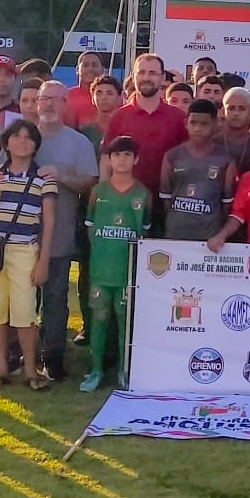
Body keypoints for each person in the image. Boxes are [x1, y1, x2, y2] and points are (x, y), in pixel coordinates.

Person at [0, 119, 55, 391]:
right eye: (16, 136)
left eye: (28, 137)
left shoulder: (43, 179)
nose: (22, 141)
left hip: (24, 250)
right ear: (6, 143)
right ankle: (1, 368)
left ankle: (31, 369)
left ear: (35, 145)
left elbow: (49, 221)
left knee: (24, 313)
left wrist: (43, 260)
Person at [32, 80, 98, 381]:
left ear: (65, 104)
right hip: (19, 233)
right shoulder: (23, 136)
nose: (48, 104)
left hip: (58, 233)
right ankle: (15, 353)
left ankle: (53, 356)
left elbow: (90, 183)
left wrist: (62, 176)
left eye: (55, 99)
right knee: (18, 298)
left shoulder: (78, 143)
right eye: (44, 99)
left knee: (55, 297)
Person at [81, 137, 151, 392]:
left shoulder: (143, 194)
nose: (121, 160)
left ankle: (125, 370)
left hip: (127, 273)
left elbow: (144, 233)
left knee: (125, 322)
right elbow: (90, 230)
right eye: (116, 155)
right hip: (101, 271)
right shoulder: (98, 193)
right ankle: (96, 370)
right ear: (109, 160)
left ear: (136, 159)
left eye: (126, 155)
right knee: (98, 319)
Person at [100, 54, 188, 205]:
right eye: (141, 72)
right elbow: (106, 160)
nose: (146, 78)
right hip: (126, 201)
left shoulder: (178, 117)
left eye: (152, 73)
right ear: (133, 76)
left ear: (162, 78)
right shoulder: (119, 116)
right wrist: (104, 196)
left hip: (167, 202)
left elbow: (187, 159)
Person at [159, 99, 236, 241]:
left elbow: (227, 205)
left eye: (204, 123)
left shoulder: (225, 160)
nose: (198, 128)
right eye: (193, 123)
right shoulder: (172, 156)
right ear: (186, 123)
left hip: (209, 239)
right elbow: (166, 200)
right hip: (175, 235)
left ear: (215, 124)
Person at [81, 75, 123, 154]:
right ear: (92, 99)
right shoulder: (84, 133)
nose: (104, 97)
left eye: (109, 93)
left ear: (119, 98)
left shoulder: (126, 129)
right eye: (99, 93)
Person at [65, 51, 105, 129]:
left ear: (103, 70)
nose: (90, 69)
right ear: (77, 69)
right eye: (86, 65)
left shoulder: (112, 97)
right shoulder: (66, 96)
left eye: (95, 65)